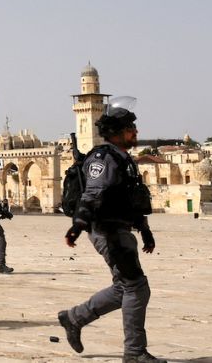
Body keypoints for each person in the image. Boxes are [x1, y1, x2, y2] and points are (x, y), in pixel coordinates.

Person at [59, 97, 166, 363]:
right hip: (106, 230)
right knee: (136, 287)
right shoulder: (103, 158)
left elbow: (132, 199)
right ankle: (134, 352)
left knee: (124, 288)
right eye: (130, 129)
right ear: (116, 133)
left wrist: (144, 229)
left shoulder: (124, 159)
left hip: (120, 228)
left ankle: (74, 318)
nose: (135, 132)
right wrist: (77, 226)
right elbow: (93, 194)